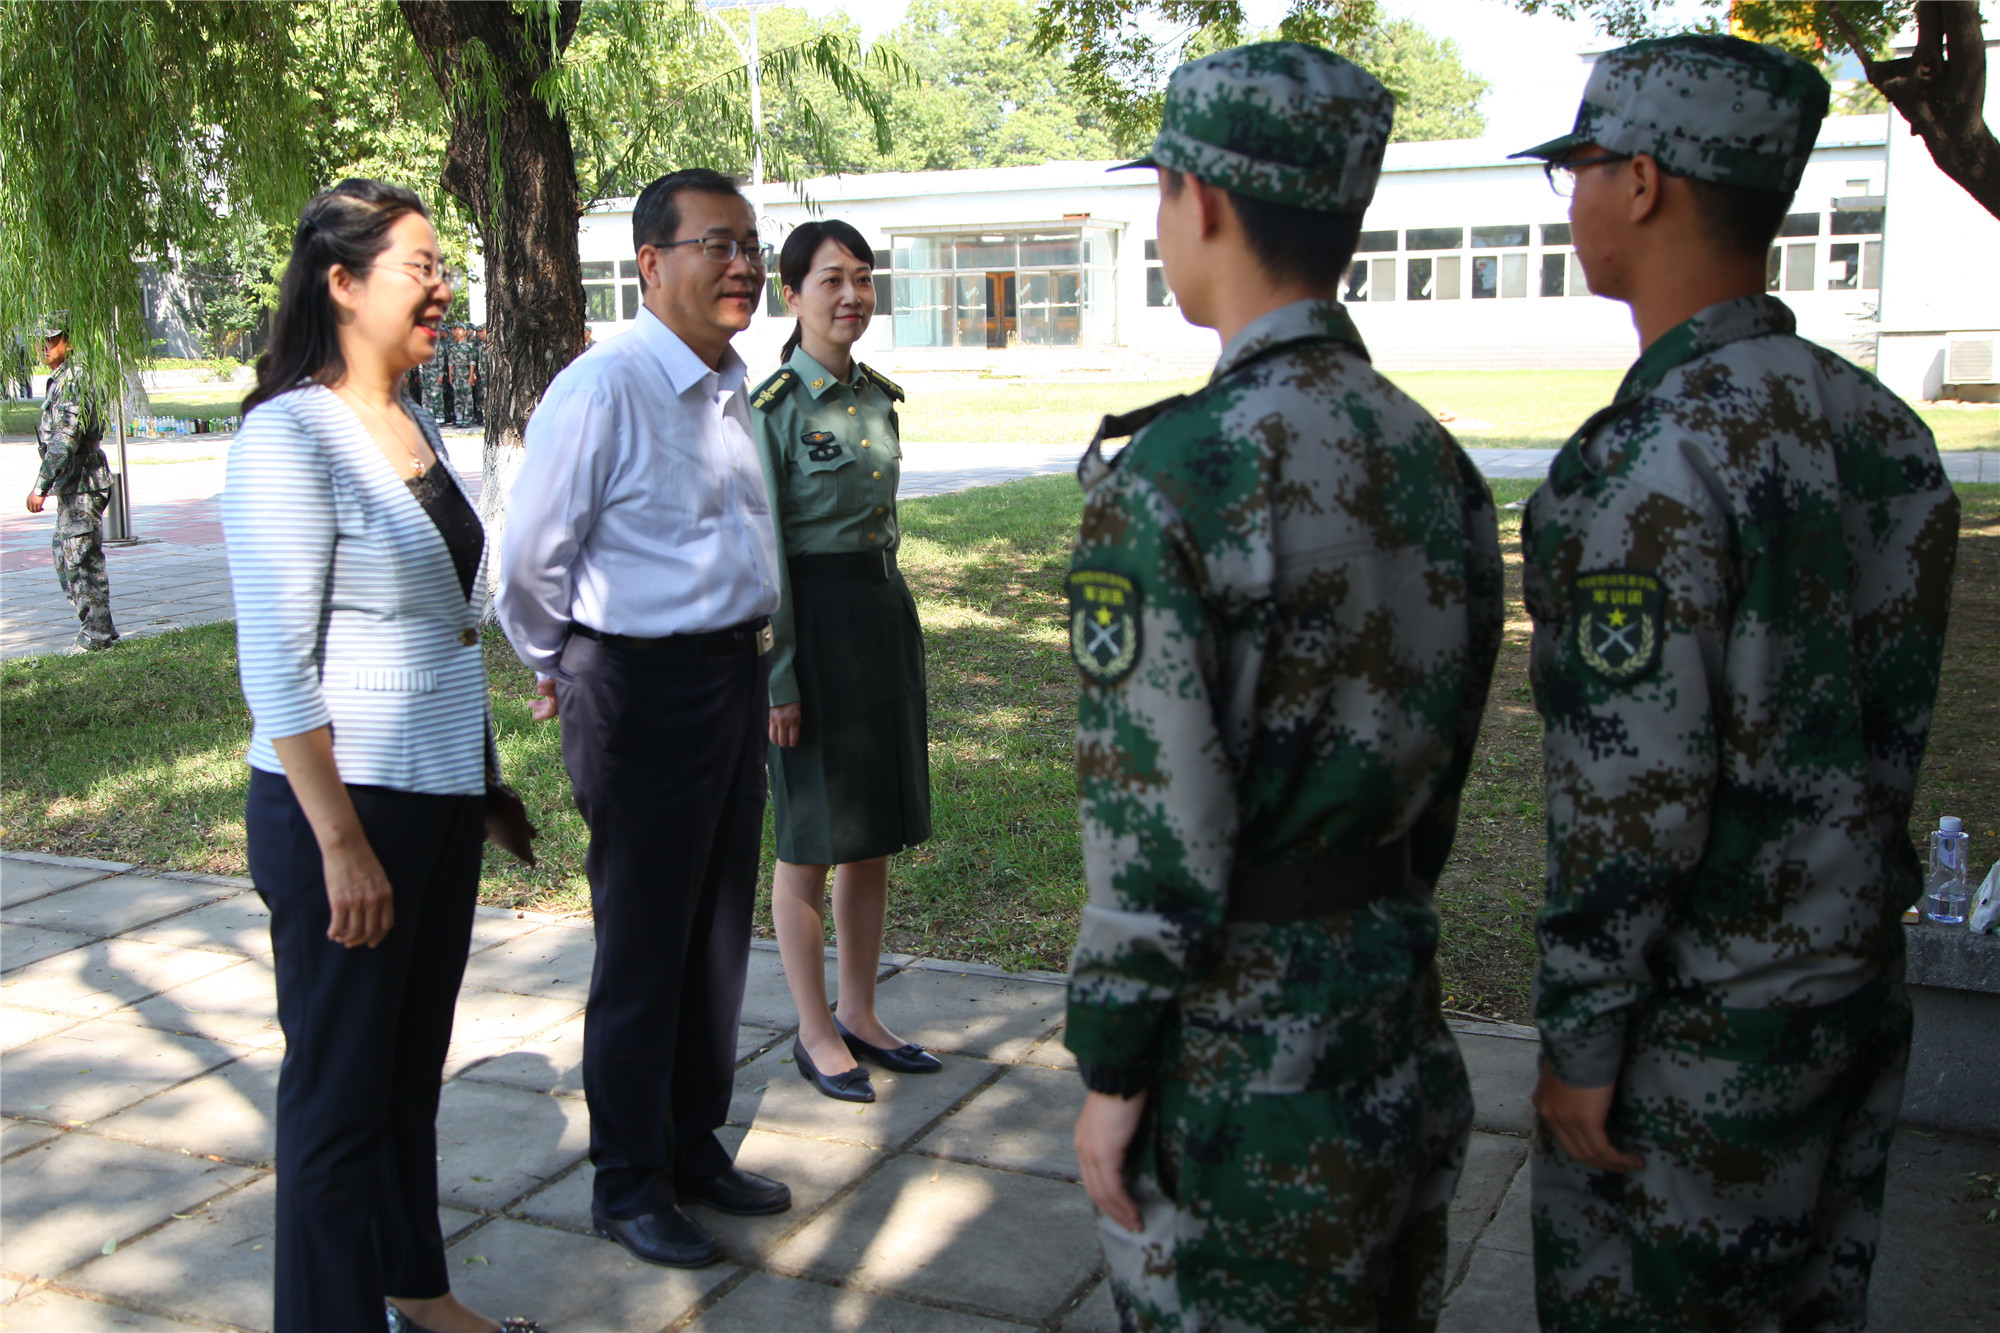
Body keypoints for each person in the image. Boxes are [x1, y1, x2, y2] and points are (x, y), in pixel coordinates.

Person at [1510, 36, 1959, 1333]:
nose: (1576, 199)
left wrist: (1585, 1037)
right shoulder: (1879, 427)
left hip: (1697, 1044)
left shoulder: (1646, 462)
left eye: (1581, 170)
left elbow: (1631, 801)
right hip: (1850, 995)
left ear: (1643, 182)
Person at [1064, 44, 1503, 1333]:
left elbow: (1154, 833)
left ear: (1196, 202)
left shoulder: (1173, 479)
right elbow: (1453, 753)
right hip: (1388, 999)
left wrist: (1112, 1064)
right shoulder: (1429, 455)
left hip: (1236, 1059)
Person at [223, 178, 540, 1333]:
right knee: (336, 1099)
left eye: (441, 264)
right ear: (341, 283)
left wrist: (483, 781)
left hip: (435, 798)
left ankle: (420, 1293)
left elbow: (445, 629)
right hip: (339, 813)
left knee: (406, 1078)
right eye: (421, 264)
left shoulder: (420, 423)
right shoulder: (286, 435)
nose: (444, 285)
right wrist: (344, 847)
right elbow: (279, 669)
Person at [496, 167, 792, 1270]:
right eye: (716, 243)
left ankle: (688, 1138)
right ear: (652, 260)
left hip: (726, 678)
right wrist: (562, 664)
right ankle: (626, 1180)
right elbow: (528, 564)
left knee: (715, 930)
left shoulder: (729, 385)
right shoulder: (603, 388)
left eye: (750, 244)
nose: (743, 265)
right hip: (635, 686)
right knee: (643, 939)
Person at [751, 219, 937, 1105]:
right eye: (831, 280)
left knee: (873, 831)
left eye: (863, 278)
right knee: (811, 841)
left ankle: (861, 1010)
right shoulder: (774, 408)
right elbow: (768, 557)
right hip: (811, 629)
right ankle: (814, 1027)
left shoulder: (877, 398)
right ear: (791, 295)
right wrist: (779, 677)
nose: (852, 295)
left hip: (879, 617)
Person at [25, 315, 119, 653]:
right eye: (41, 341)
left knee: (81, 559)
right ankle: (98, 626)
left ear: (69, 341)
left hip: (83, 482)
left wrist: (40, 486)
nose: (43, 348)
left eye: (51, 340)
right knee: (64, 556)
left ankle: (97, 636)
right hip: (74, 483)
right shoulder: (62, 378)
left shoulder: (74, 379)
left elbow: (64, 439)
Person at [446, 322, 474, 427]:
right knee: (457, 398)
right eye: (456, 329)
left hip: (465, 373)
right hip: (456, 374)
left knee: (467, 397)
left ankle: (467, 419)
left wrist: (471, 375)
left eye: (460, 329)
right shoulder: (453, 346)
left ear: (465, 331)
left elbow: (472, 362)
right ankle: (459, 418)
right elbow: (450, 362)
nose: (457, 331)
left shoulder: (469, 346)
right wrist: (450, 376)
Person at [469, 324, 488, 426]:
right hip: (480, 375)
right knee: (480, 396)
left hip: (488, 376)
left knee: (487, 396)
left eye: (481, 331)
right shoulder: (476, 346)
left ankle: (487, 417)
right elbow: (475, 361)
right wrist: (474, 374)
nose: (479, 334)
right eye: (478, 332)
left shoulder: (491, 345)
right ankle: (481, 417)